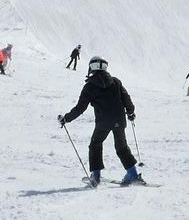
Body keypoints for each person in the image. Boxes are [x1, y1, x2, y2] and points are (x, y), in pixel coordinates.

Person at [58, 56, 140, 186]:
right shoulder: (116, 82)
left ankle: (95, 177)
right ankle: (133, 174)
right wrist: (130, 113)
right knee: (122, 147)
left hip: (103, 122)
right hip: (119, 120)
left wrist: (66, 119)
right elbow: (127, 99)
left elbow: (80, 108)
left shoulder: (89, 86)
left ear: (92, 67)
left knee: (95, 145)